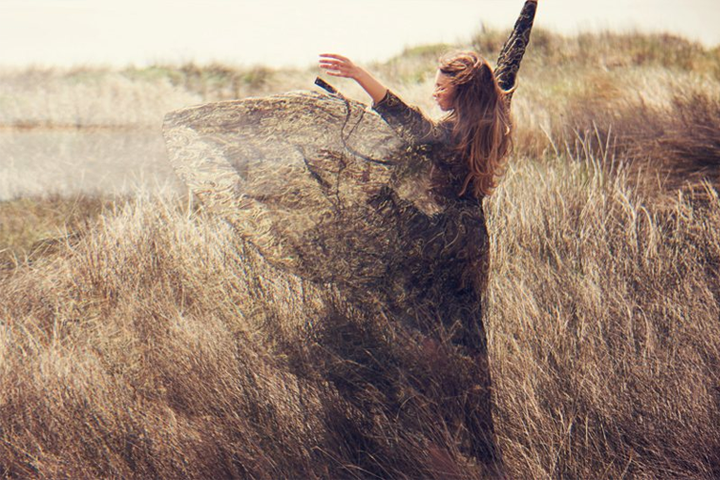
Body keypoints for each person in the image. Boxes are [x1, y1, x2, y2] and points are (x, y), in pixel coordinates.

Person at [317, 1, 536, 472]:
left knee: (430, 351)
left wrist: (358, 74)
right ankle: (485, 454)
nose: (435, 92)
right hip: (473, 243)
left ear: (463, 91)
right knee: (470, 344)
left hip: (440, 243)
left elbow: (402, 118)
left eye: (441, 87)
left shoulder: (447, 134)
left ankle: (442, 451)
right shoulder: (493, 112)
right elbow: (509, 59)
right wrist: (529, 9)